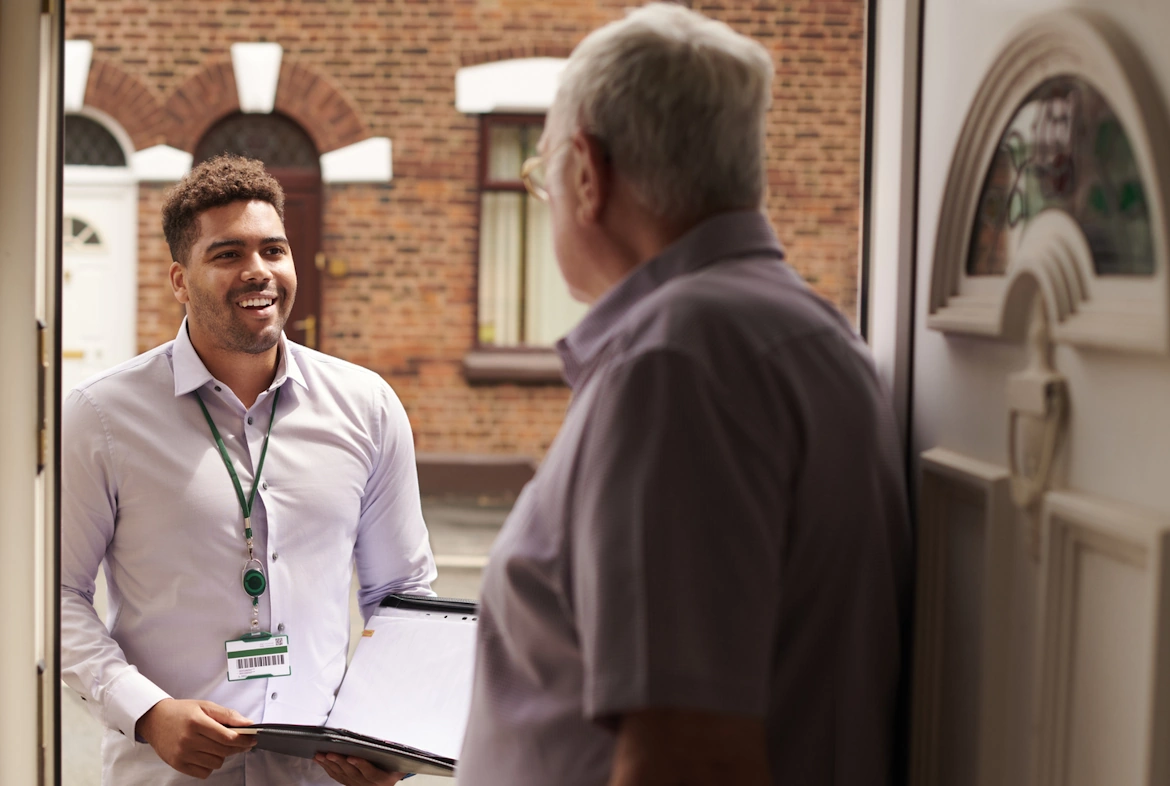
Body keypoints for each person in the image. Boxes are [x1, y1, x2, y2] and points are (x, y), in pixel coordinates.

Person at [458, 5, 912, 786]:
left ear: (589, 172)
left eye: (544, 176)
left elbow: (687, 756)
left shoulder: (672, 364)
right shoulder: (809, 331)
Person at [61, 155, 434, 786]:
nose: (258, 271)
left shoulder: (366, 407)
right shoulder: (101, 416)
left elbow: (399, 597)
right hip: (167, 776)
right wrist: (147, 712)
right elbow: (56, 597)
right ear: (180, 279)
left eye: (274, 249)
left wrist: (389, 732)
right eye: (228, 253)